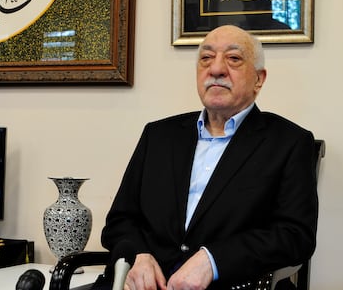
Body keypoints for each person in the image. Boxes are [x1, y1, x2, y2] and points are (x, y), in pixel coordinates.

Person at [100, 25, 318, 290]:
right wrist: (137, 255)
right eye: (206, 58)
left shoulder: (289, 143)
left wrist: (213, 261)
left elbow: (295, 236)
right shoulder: (158, 136)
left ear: (259, 79)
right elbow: (120, 221)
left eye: (234, 59)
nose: (216, 69)